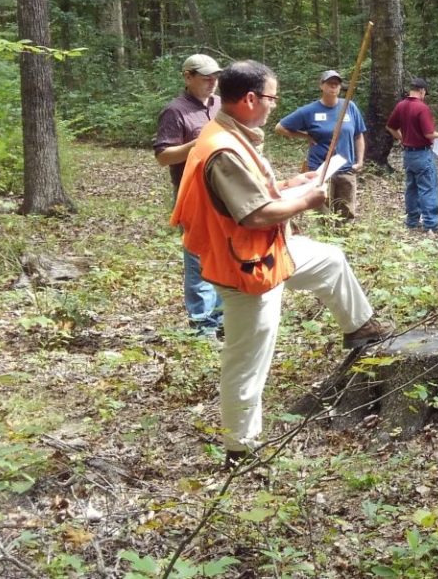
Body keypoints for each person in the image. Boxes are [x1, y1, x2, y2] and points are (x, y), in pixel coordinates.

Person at [171, 60, 390, 463]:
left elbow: (259, 193)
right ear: (251, 98)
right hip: (245, 267)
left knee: (329, 259)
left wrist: (295, 183)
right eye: (272, 97)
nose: (274, 105)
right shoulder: (222, 148)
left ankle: (360, 329)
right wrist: (308, 199)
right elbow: (253, 214)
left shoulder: (234, 137)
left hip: (269, 253)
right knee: (247, 360)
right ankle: (241, 448)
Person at [154, 54, 224, 337]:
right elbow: (163, 156)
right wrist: (198, 144)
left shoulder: (221, 105)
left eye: (215, 77)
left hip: (223, 191)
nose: (212, 83)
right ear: (188, 77)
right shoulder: (175, 111)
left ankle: (221, 320)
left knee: (223, 255)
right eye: (206, 77)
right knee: (198, 259)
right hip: (192, 193)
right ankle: (201, 324)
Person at [275, 70, 366, 221]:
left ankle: (344, 241)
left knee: (346, 214)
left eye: (336, 83)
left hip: (346, 169)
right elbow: (280, 127)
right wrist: (305, 136)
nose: (333, 86)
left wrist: (360, 161)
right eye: (329, 83)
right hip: (320, 170)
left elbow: (358, 135)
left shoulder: (349, 107)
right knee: (323, 213)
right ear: (321, 86)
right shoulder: (310, 110)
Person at [385, 77, 438, 234]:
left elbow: (390, 127)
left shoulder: (401, 105)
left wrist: (402, 139)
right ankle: (431, 223)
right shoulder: (422, 108)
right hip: (422, 153)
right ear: (422, 91)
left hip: (408, 154)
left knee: (411, 188)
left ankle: (412, 221)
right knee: (428, 188)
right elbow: (428, 133)